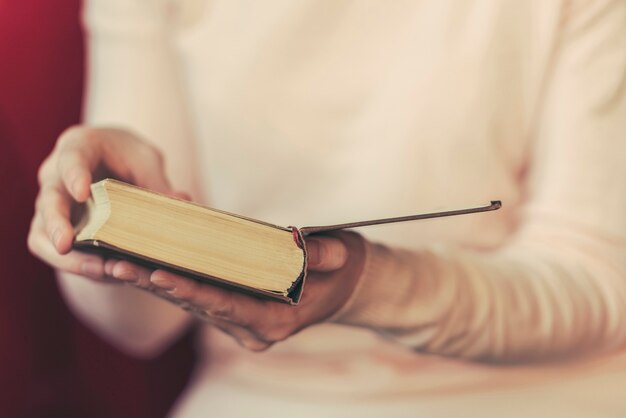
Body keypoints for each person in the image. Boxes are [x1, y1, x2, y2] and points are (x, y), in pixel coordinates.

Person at [28, 0, 626, 416]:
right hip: (267, 394)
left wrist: (370, 287)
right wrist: (98, 227)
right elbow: (145, 329)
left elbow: (597, 280)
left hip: (550, 393)